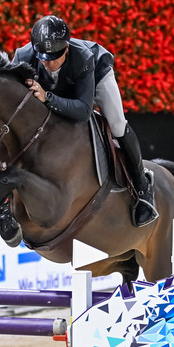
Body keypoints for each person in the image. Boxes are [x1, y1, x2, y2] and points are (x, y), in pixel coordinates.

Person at [12, 15, 158, 227]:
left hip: (95, 76)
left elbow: (83, 110)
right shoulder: (22, 57)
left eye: (54, 56)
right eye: (43, 57)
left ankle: (143, 185)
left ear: (67, 49)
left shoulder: (83, 57)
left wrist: (47, 97)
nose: (48, 62)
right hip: (56, 87)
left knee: (117, 125)